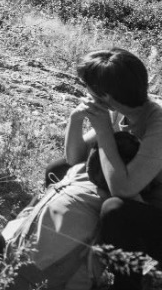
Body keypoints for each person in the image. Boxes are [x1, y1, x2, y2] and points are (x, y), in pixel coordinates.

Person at [59, 47, 162, 290]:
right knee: (58, 168)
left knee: (116, 210)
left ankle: (129, 283)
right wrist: (76, 118)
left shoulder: (157, 122)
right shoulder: (121, 112)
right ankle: (68, 254)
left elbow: (123, 190)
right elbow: (74, 158)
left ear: (105, 95)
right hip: (148, 203)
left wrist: (105, 132)